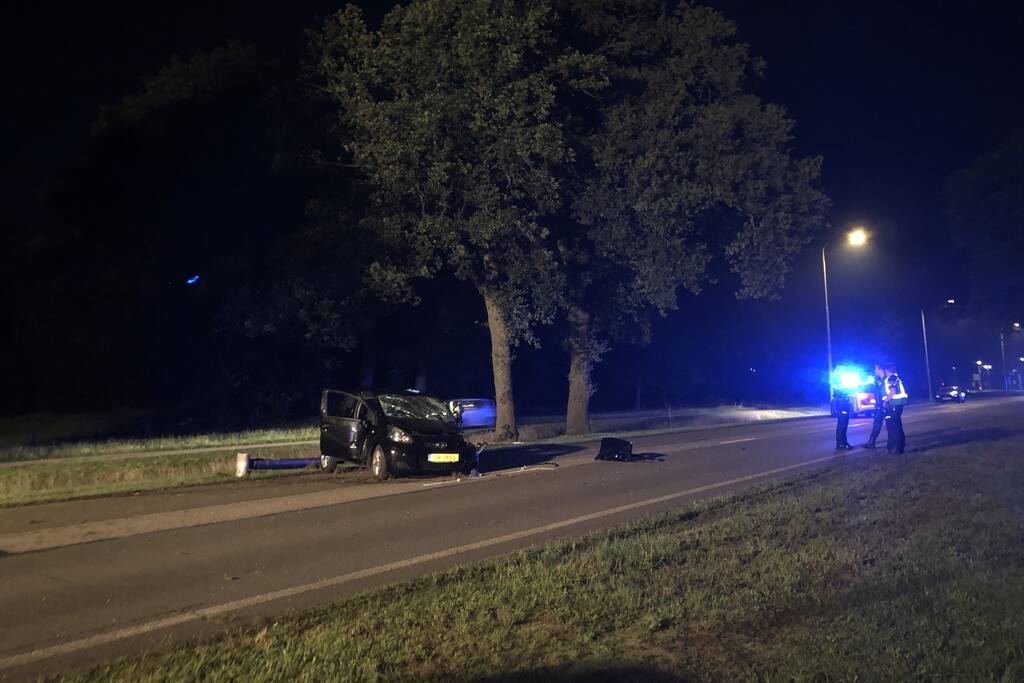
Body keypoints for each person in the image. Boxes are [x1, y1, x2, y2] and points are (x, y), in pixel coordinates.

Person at [882, 363, 908, 454]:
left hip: (894, 404)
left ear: (886, 370)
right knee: (897, 425)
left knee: (894, 426)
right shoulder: (896, 378)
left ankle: (897, 448)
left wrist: (885, 401)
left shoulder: (891, 378)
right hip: (898, 404)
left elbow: (892, 391)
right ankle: (900, 445)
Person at [863, 364, 887, 448]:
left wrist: (883, 404)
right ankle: (871, 442)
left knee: (890, 426)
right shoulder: (878, 381)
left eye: (876, 369)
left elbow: (886, 394)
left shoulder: (885, 381)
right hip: (879, 405)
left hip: (884, 406)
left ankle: (872, 442)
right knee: (877, 424)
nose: (874, 370)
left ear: (880, 369)